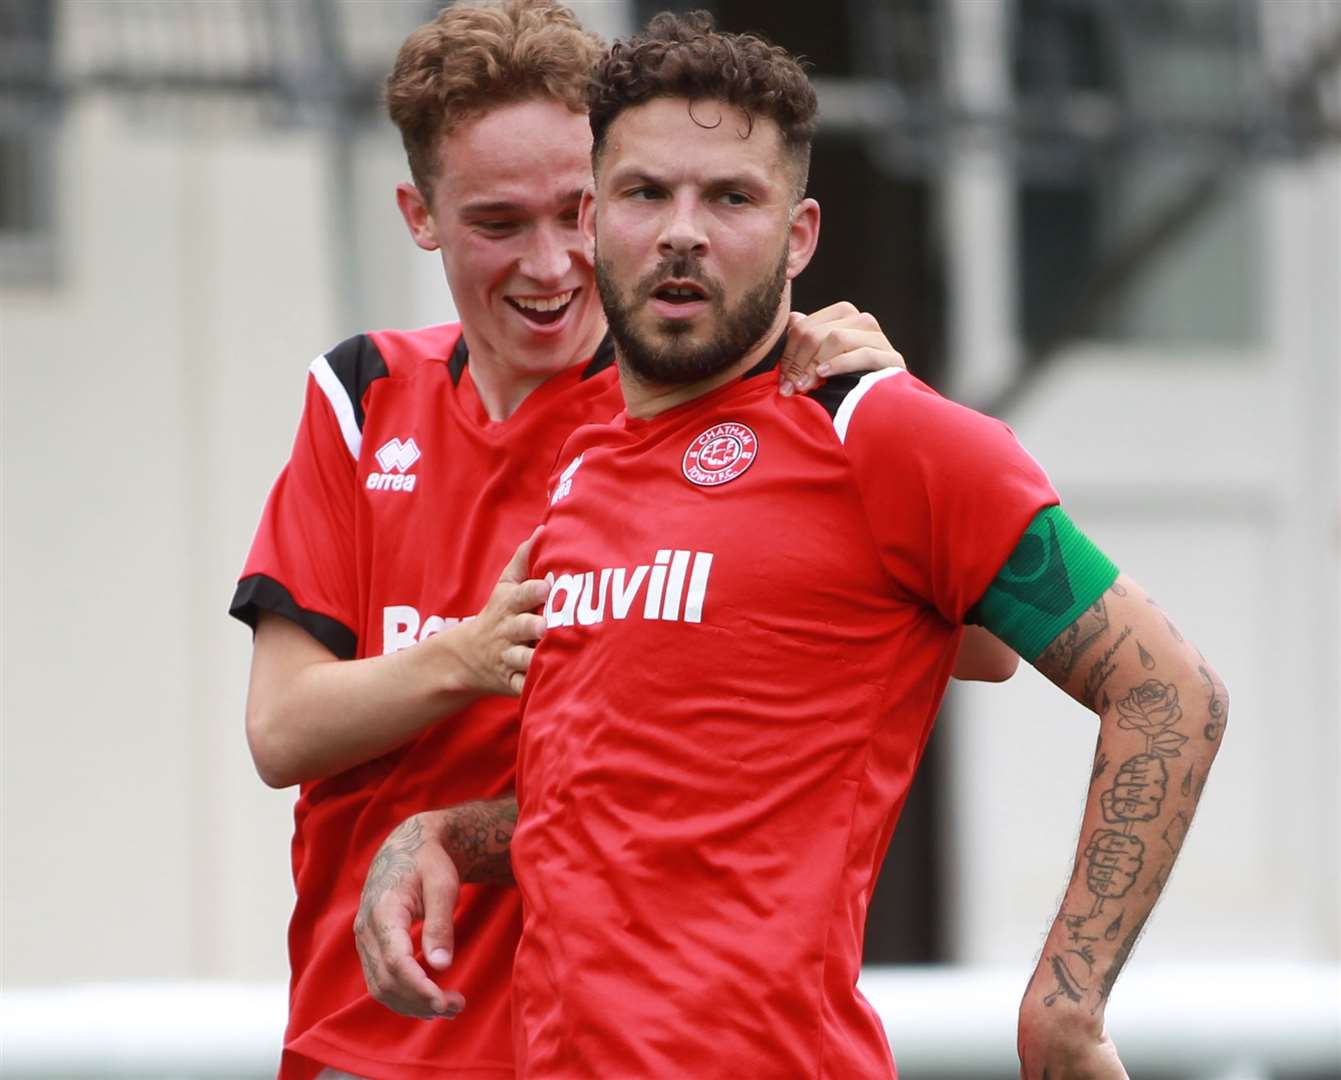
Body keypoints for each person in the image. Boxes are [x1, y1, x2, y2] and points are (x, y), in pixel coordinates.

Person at [356, 12, 1228, 1079]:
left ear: (798, 235)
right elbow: (615, 812)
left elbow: (1170, 692)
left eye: (730, 197)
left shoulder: (883, 431)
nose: (684, 230)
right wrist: (443, 833)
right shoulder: (583, 470)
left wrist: (1067, 1003)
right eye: (646, 194)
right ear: (594, 221)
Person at [229, 3, 983, 1078]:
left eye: (580, 211)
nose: (551, 263)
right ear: (419, 213)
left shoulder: (718, 410)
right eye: (498, 223)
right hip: (364, 1040)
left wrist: (888, 405)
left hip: (601, 1050)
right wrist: (467, 657)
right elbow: (281, 731)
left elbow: (972, 636)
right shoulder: (361, 395)